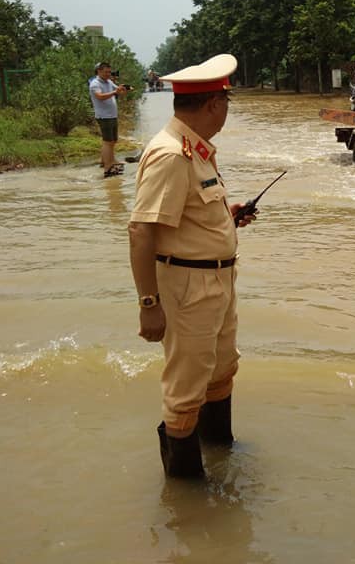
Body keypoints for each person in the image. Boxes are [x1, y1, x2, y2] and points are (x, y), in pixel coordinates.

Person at [128, 53, 256, 479]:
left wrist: (228, 215)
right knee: (185, 391)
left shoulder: (196, 149)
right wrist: (149, 303)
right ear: (214, 105)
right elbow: (141, 231)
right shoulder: (172, 155)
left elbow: (188, 214)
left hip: (216, 280)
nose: (225, 110)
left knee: (221, 370)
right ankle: (187, 497)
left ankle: (221, 452)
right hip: (188, 289)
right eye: (225, 102)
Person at [88, 61, 127, 178]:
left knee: (113, 141)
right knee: (107, 142)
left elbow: (118, 90)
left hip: (112, 115)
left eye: (109, 72)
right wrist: (115, 92)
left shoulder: (109, 81)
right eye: (106, 72)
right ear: (99, 71)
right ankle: (108, 167)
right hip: (104, 116)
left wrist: (123, 89)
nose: (108, 74)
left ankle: (109, 160)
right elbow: (99, 96)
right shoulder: (95, 84)